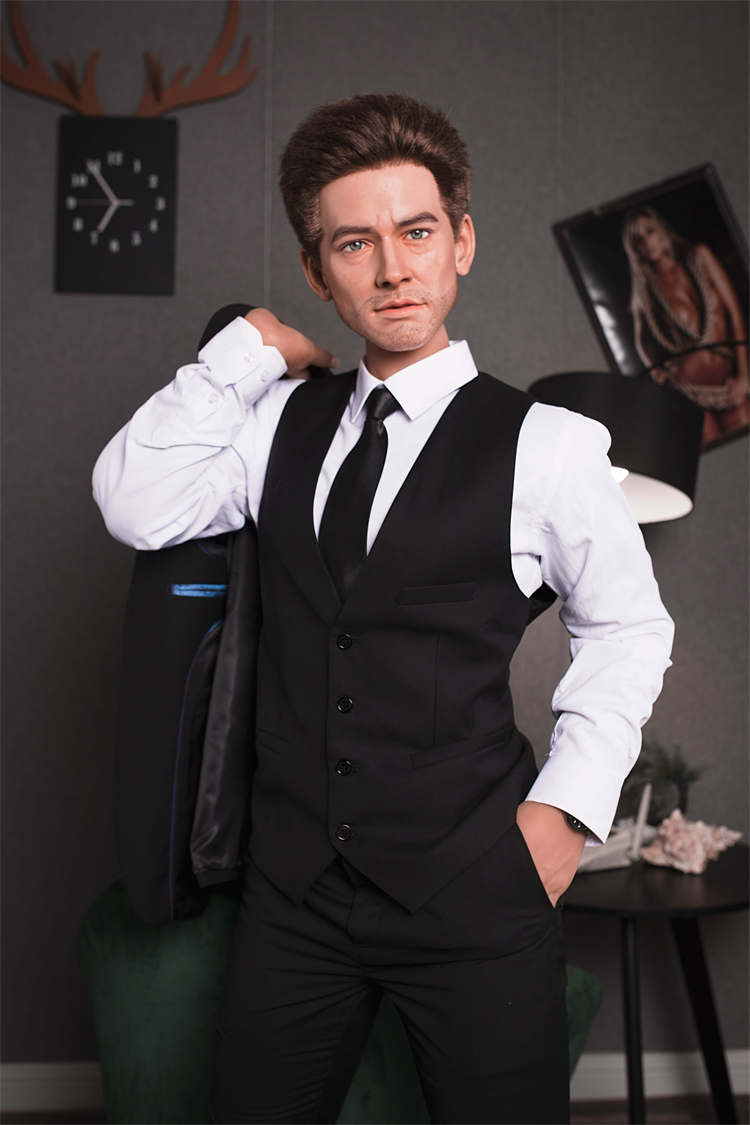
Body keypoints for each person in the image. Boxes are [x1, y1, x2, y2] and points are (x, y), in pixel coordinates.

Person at [93, 93, 674, 1124]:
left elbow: (629, 627)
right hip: (295, 895)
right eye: (355, 243)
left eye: (416, 232)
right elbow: (134, 500)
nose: (393, 268)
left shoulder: (549, 446)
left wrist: (566, 810)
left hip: (474, 884)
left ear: (461, 243)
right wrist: (249, 347)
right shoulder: (276, 421)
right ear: (319, 271)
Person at [622, 204, 749, 446]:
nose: (647, 242)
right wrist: (656, 372)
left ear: (661, 230)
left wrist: (744, 376)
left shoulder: (699, 257)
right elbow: (640, 340)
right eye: (638, 239)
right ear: (635, 249)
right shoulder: (647, 289)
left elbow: (734, 312)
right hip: (688, 390)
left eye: (649, 231)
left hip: (729, 381)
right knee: (715, 456)